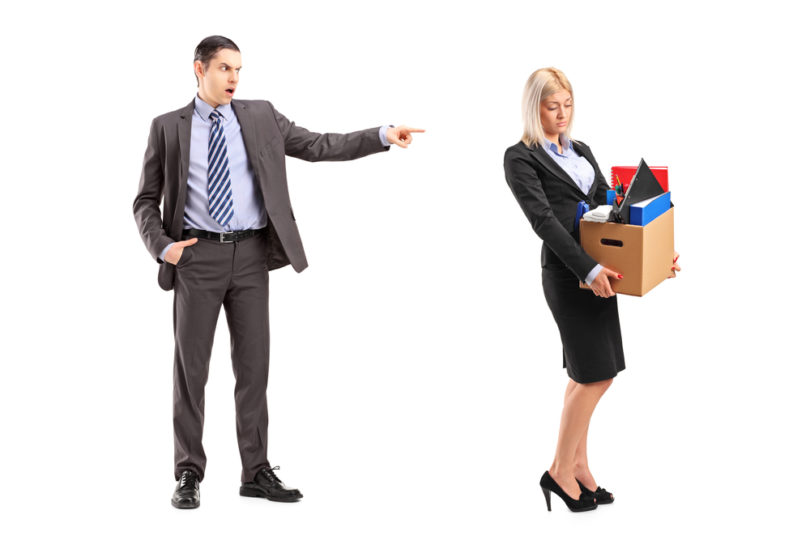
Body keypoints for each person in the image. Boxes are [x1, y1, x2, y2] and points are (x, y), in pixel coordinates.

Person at [133, 35, 424, 510]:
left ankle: (255, 471)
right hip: (196, 259)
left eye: (239, 70)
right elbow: (145, 199)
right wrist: (164, 248)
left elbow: (316, 144)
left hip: (251, 257)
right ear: (198, 69)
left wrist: (381, 135)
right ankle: (188, 472)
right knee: (192, 372)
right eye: (225, 69)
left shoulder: (260, 114)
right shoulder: (168, 126)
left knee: (254, 368)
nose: (234, 78)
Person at [503, 68, 679, 512]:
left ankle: (578, 467)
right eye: (550, 106)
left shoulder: (580, 150)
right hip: (569, 273)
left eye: (566, 105)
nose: (561, 114)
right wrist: (587, 267)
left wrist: (656, 256)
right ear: (534, 107)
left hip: (603, 272)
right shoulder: (520, 157)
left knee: (588, 373)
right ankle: (558, 473)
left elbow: (608, 206)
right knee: (595, 374)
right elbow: (544, 221)